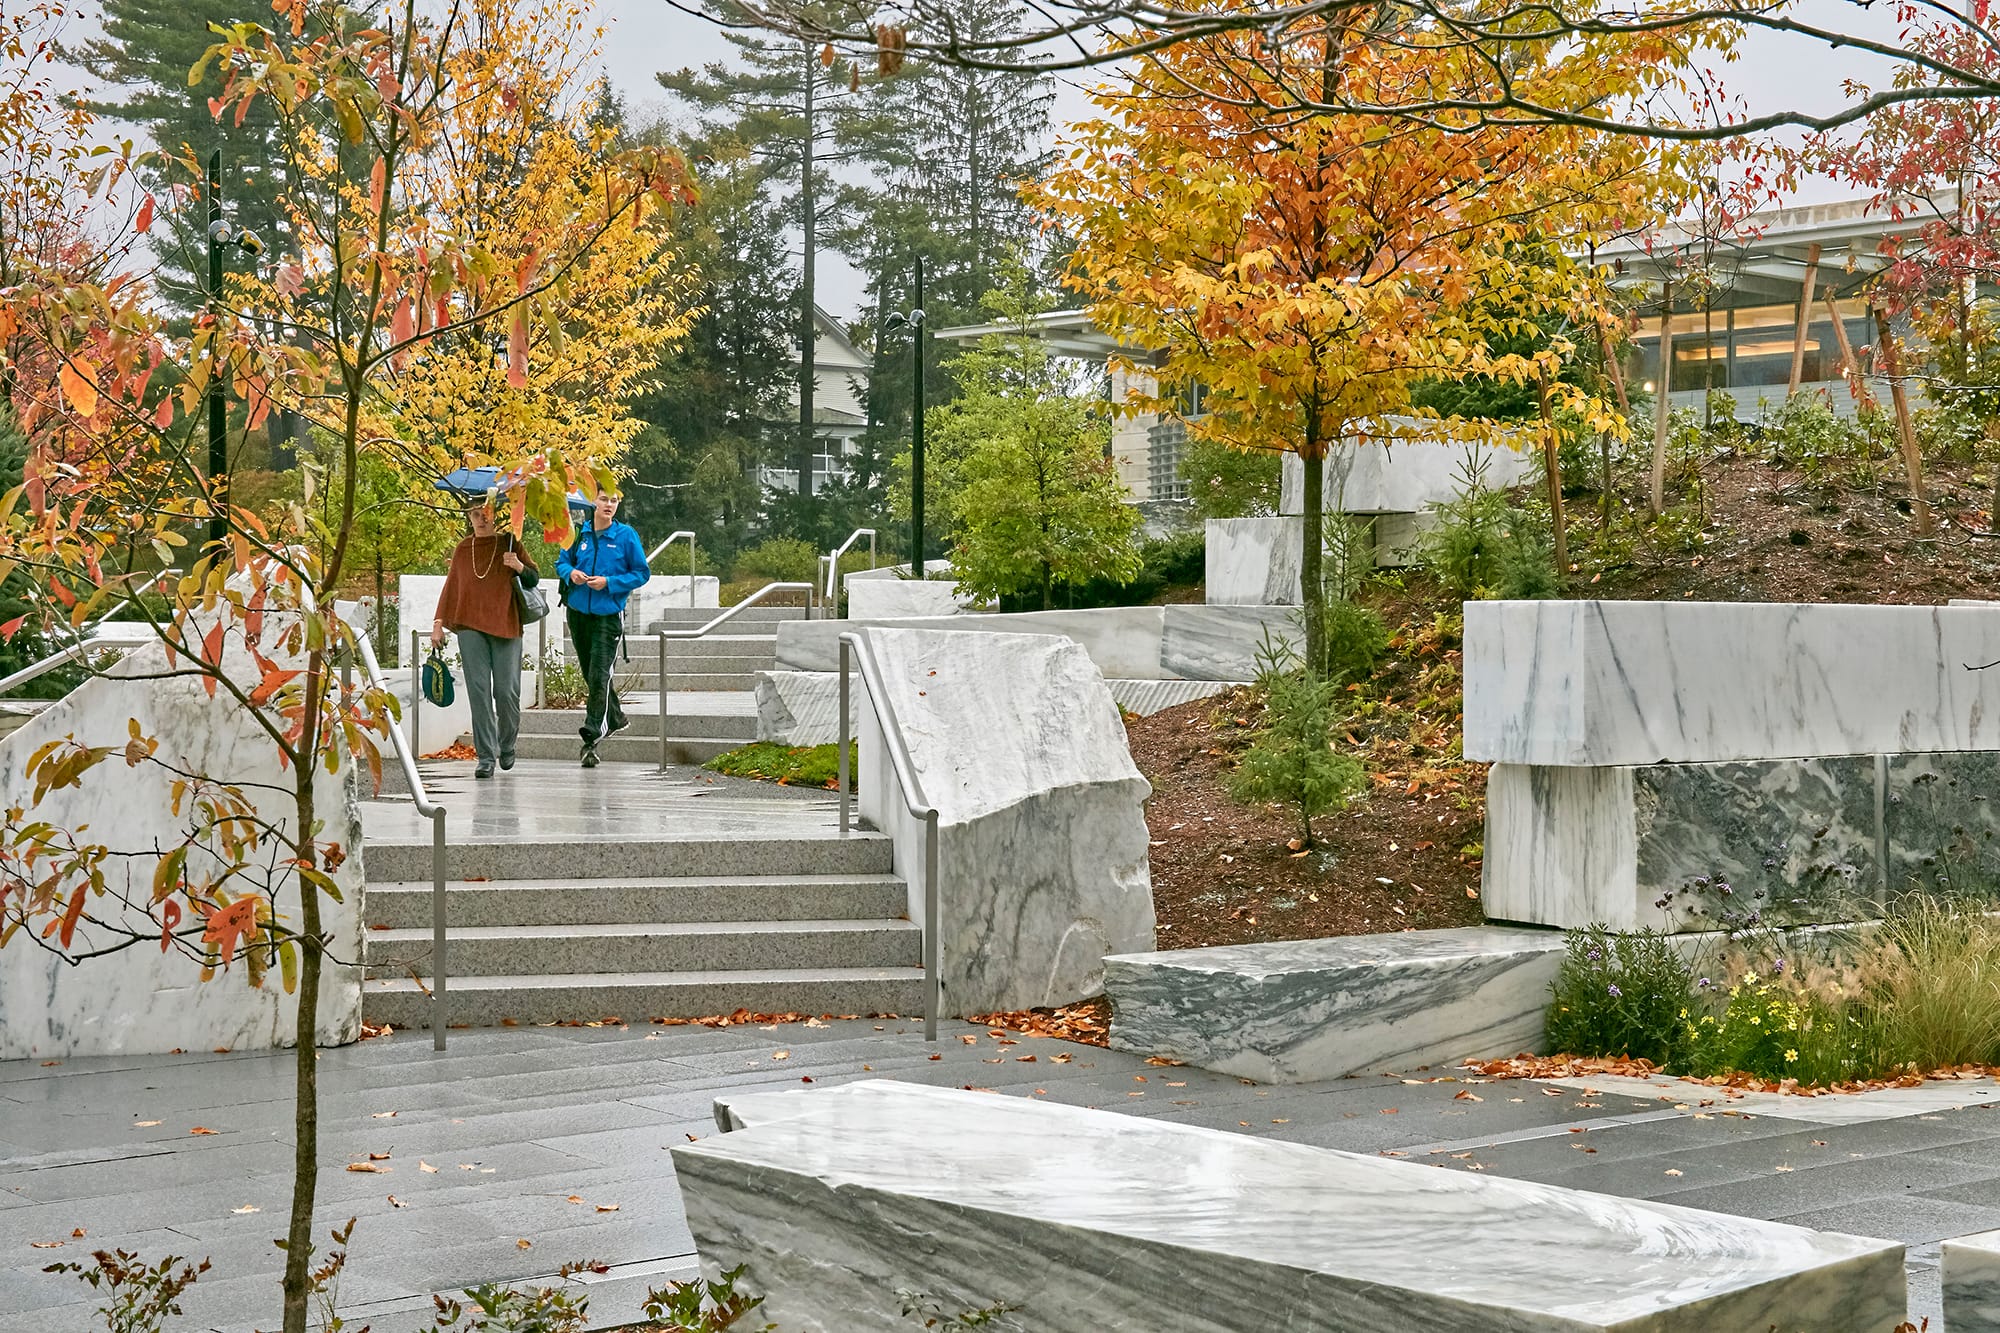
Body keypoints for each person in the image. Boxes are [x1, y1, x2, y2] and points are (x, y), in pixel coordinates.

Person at [431, 500, 540, 779]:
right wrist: (438, 625)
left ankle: (507, 744)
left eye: (486, 514)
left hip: (506, 623)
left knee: (506, 692)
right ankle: (486, 757)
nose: (481, 519)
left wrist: (517, 566)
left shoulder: (510, 542)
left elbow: (533, 578)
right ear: (469, 517)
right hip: (470, 625)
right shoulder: (463, 548)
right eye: (476, 515)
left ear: (495, 515)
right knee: (478, 692)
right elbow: (451, 586)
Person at [558, 490, 650, 768]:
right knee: (591, 674)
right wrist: (571, 573)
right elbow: (561, 561)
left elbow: (641, 573)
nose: (609, 505)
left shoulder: (626, 536)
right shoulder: (578, 533)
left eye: (614, 500)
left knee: (599, 674)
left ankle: (590, 738)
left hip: (608, 616)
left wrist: (609, 582)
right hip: (578, 614)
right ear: (592, 503)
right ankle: (617, 717)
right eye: (604, 499)